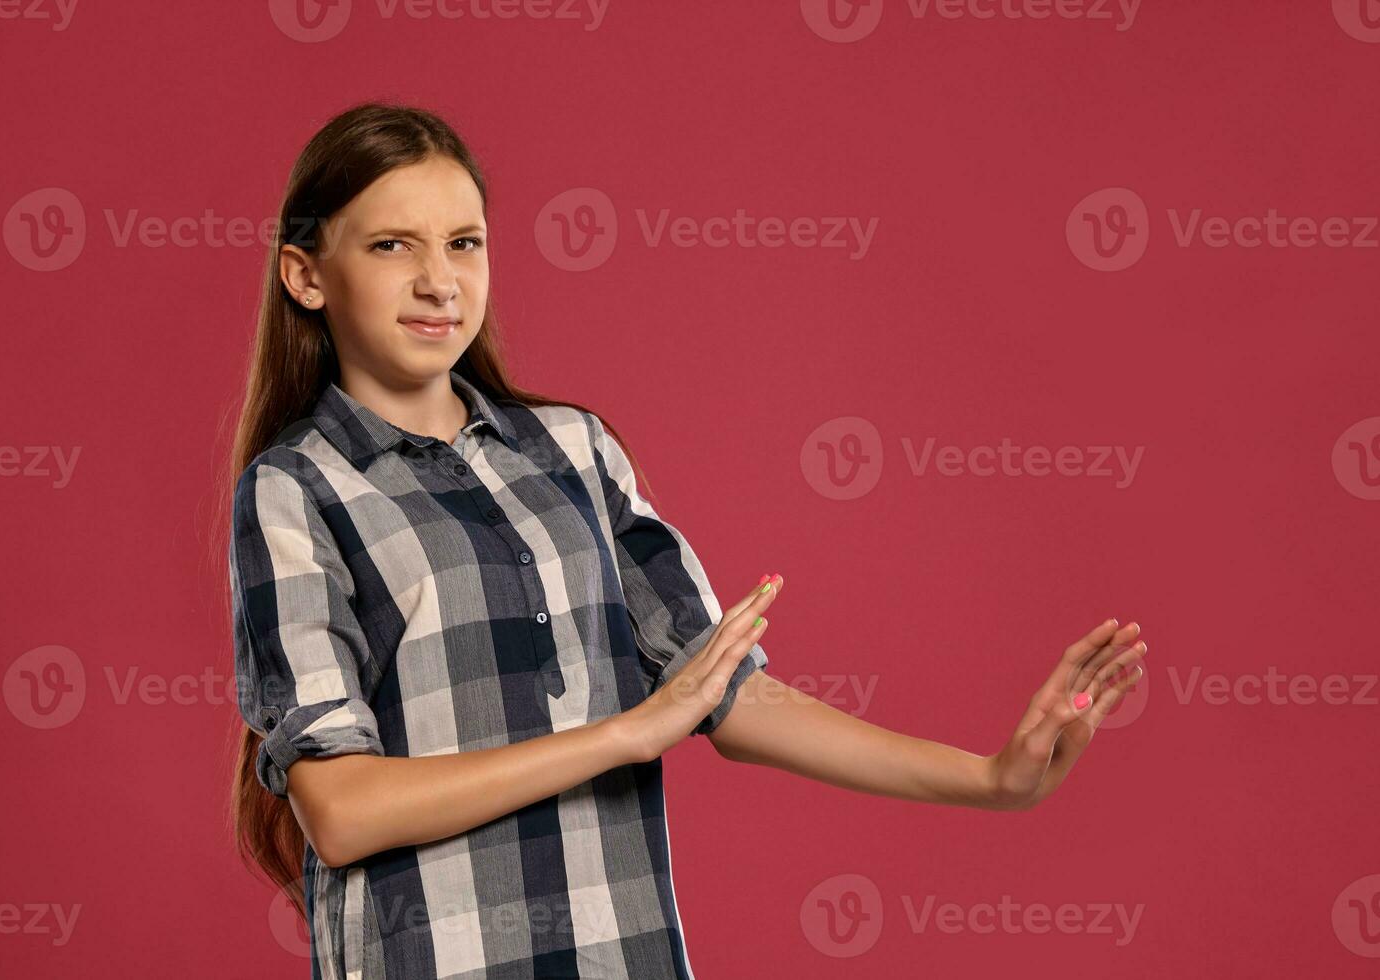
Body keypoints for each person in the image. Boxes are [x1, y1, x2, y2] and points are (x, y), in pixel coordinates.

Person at [223, 101, 1149, 979]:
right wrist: (624, 735)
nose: (439, 280)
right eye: (393, 245)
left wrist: (991, 779)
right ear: (307, 275)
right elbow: (340, 811)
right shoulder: (295, 489)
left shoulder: (571, 452)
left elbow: (728, 698)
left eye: (464, 243)